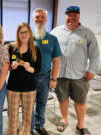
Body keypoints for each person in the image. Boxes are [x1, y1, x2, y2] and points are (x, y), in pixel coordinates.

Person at [50, 6, 100, 135]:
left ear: (79, 16)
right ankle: (64, 119)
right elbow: (48, 52)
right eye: (69, 15)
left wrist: (92, 70)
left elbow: (94, 54)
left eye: (74, 15)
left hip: (80, 75)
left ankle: (81, 124)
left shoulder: (87, 33)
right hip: (60, 74)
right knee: (62, 98)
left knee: (80, 100)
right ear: (65, 16)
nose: (71, 17)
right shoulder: (55, 32)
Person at [31, 8, 61, 135]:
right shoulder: (26, 37)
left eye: (42, 17)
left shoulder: (53, 39)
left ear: (46, 20)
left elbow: (56, 60)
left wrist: (54, 79)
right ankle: (30, 128)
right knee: (29, 105)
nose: (39, 19)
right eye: (37, 17)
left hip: (45, 77)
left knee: (42, 104)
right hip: (29, 78)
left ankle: (39, 125)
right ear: (33, 19)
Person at [7, 22, 41, 135]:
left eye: (26, 32)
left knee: (27, 118)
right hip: (13, 88)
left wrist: (29, 68)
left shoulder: (35, 49)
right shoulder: (11, 47)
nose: (23, 35)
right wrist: (11, 67)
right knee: (12, 117)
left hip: (29, 88)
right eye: (21, 32)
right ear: (18, 34)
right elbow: (6, 66)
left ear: (30, 33)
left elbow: (37, 69)